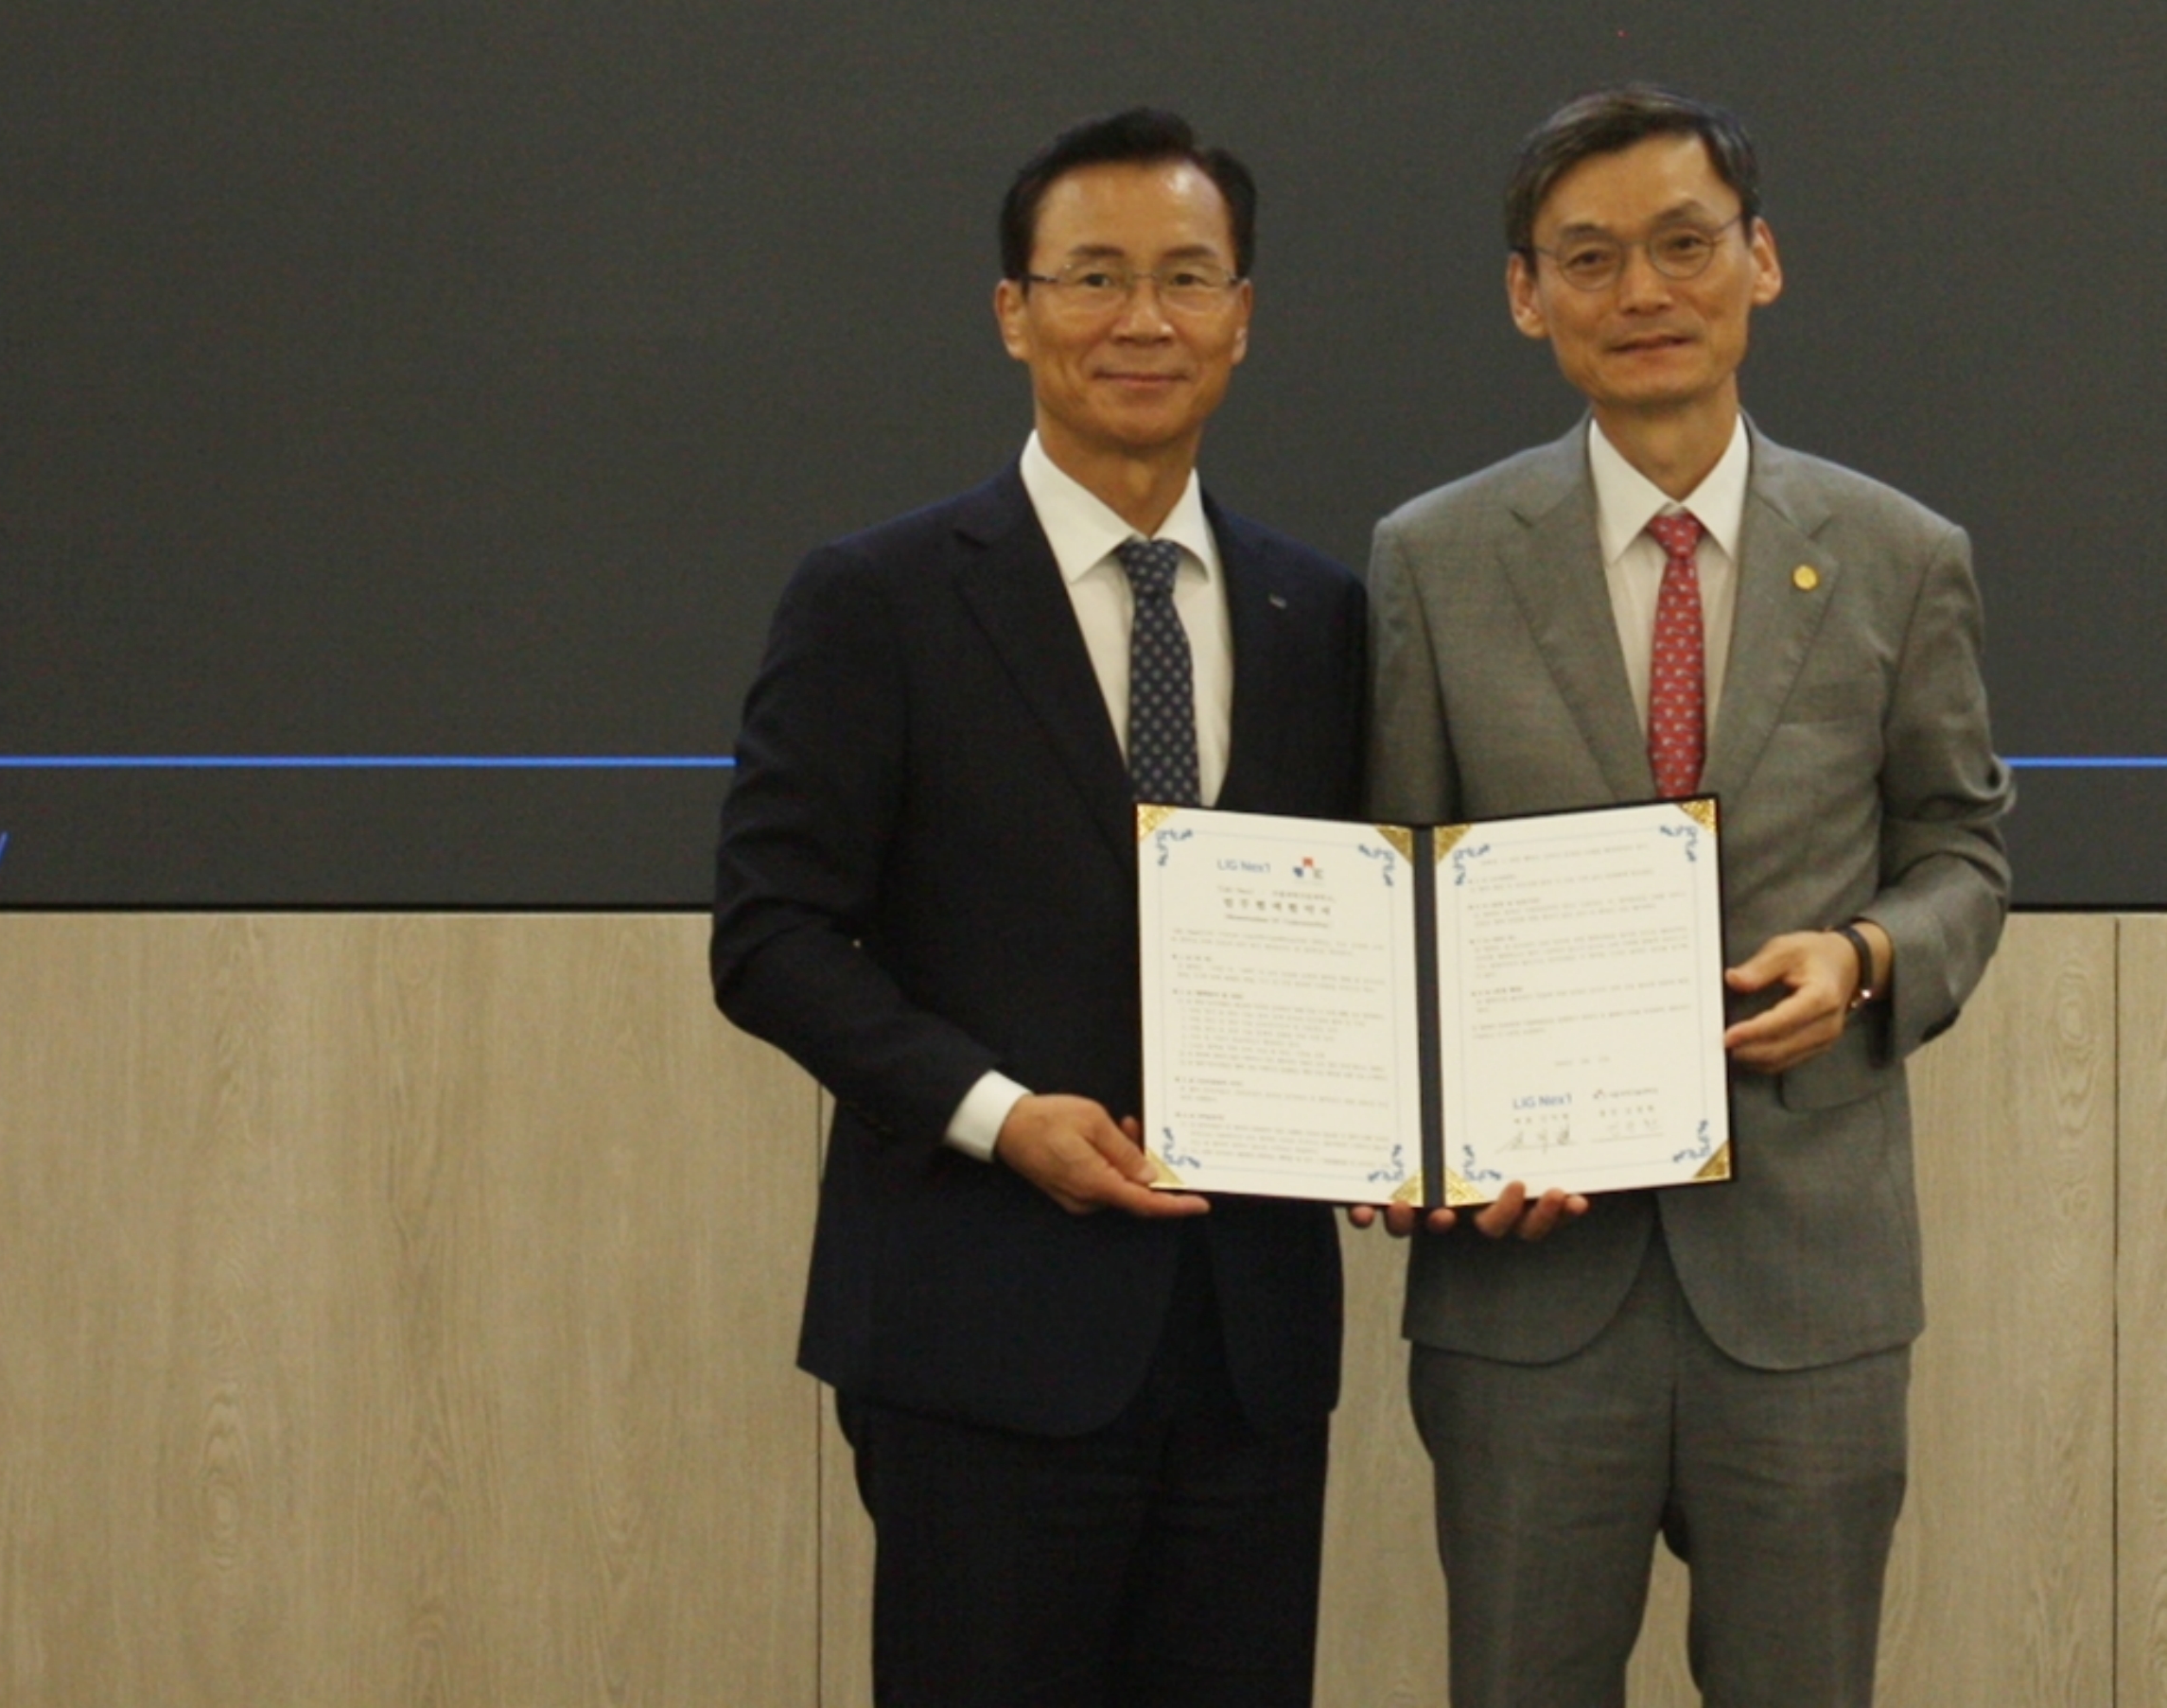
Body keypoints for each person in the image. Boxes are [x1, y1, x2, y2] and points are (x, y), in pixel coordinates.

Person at [1366, 83, 2013, 1708]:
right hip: (1530, 1290)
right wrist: (1428, 1147)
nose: (1642, 291)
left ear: (1761, 262)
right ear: (1527, 295)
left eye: (1684, 244)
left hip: (1805, 1284)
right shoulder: (1434, 561)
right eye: (1588, 258)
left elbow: (1962, 851)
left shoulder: (1899, 555)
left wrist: (1866, 958)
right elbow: (1398, 900)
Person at [713, 108, 1368, 1708]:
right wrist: (1000, 1117)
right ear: (1015, 311)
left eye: (1187, 278)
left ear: (1243, 316)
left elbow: (1367, 923)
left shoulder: (1320, 613)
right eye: (1093, 277)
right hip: (979, 1337)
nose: (1143, 319)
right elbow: (771, 936)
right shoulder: (876, 598)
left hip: (1249, 1347)